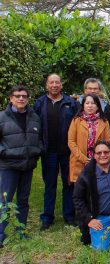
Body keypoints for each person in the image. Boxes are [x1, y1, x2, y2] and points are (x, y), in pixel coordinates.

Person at [0, 86, 44, 247]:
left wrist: (38, 150)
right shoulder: (2, 117)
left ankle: (21, 231)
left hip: (27, 165)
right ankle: (0, 234)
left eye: (24, 96)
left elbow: (39, 137)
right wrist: (4, 152)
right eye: (17, 96)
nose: (21, 99)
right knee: (5, 201)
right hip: (9, 166)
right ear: (10, 98)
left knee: (23, 200)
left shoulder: (34, 118)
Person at [34, 73, 78, 230]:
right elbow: (35, 127)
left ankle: (69, 215)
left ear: (61, 85)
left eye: (57, 82)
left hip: (67, 151)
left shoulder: (71, 103)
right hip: (49, 152)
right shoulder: (39, 103)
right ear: (47, 85)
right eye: (51, 82)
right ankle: (47, 217)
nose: (54, 85)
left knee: (69, 184)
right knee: (50, 184)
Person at [68, 93, 110, 183]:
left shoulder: (104, 122)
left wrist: (97, 158)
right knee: (80, 193)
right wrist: (83, 158)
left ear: (98, 106)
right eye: (87, 103)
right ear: (83, 105)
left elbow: (107, 142)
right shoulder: (76, 120)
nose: (90, 106)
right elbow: (71, 141)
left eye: (93, 103)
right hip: (79, 161)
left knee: (97, 192)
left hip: (99, 162)